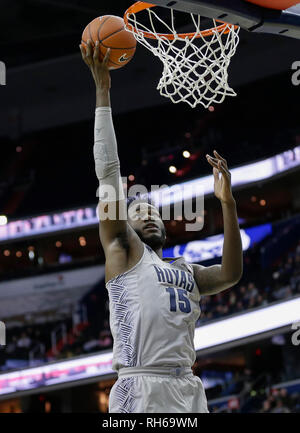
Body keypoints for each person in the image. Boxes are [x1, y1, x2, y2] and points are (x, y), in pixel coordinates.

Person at [80, 40, 243, 413]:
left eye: (152, 210)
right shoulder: (124, 252)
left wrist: (228, 205)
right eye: (137, 211)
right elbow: (108, 173)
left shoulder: (186, 271)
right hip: (140, 386)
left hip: (188, 385)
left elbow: (232, 274)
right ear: (126, 224)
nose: (147, 214)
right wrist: (102, 91)